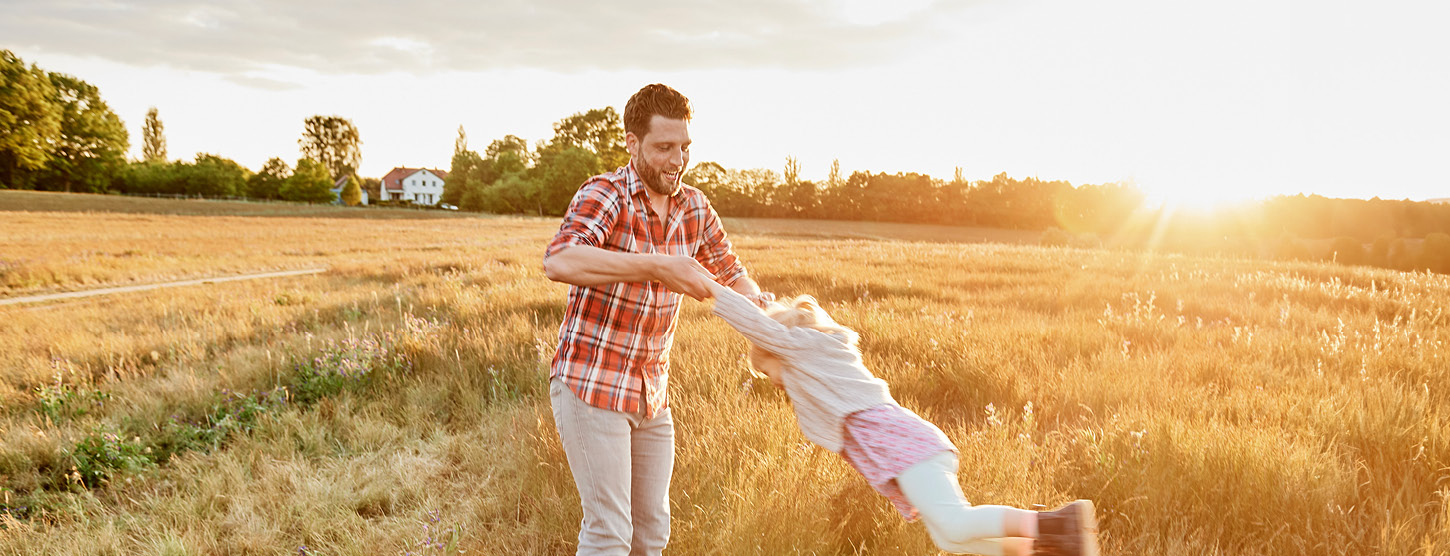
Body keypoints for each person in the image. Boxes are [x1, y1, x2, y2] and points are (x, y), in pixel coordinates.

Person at [705, 280, 1100, 556]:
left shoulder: (805, 348)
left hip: (907, 446)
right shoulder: (818, 364)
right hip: (910, 447)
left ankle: (1059, 524)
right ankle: (1043, 549)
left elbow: (762, 329)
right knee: (950, 537)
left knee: (957, 524)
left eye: (768, 371)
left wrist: (709, 287)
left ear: (783, 351)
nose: (772, 382)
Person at [541, 83, 767, 556]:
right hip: (590, 384)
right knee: (609, 533)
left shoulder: (696, 208)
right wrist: (656, 264)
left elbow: (732, 273)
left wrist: (764, 310)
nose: (676, 159)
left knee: (651, 535)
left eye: (684, 147)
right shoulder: (607, 194)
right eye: (663, 147)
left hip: (651, 394)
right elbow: (560, 260)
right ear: (632, 142)